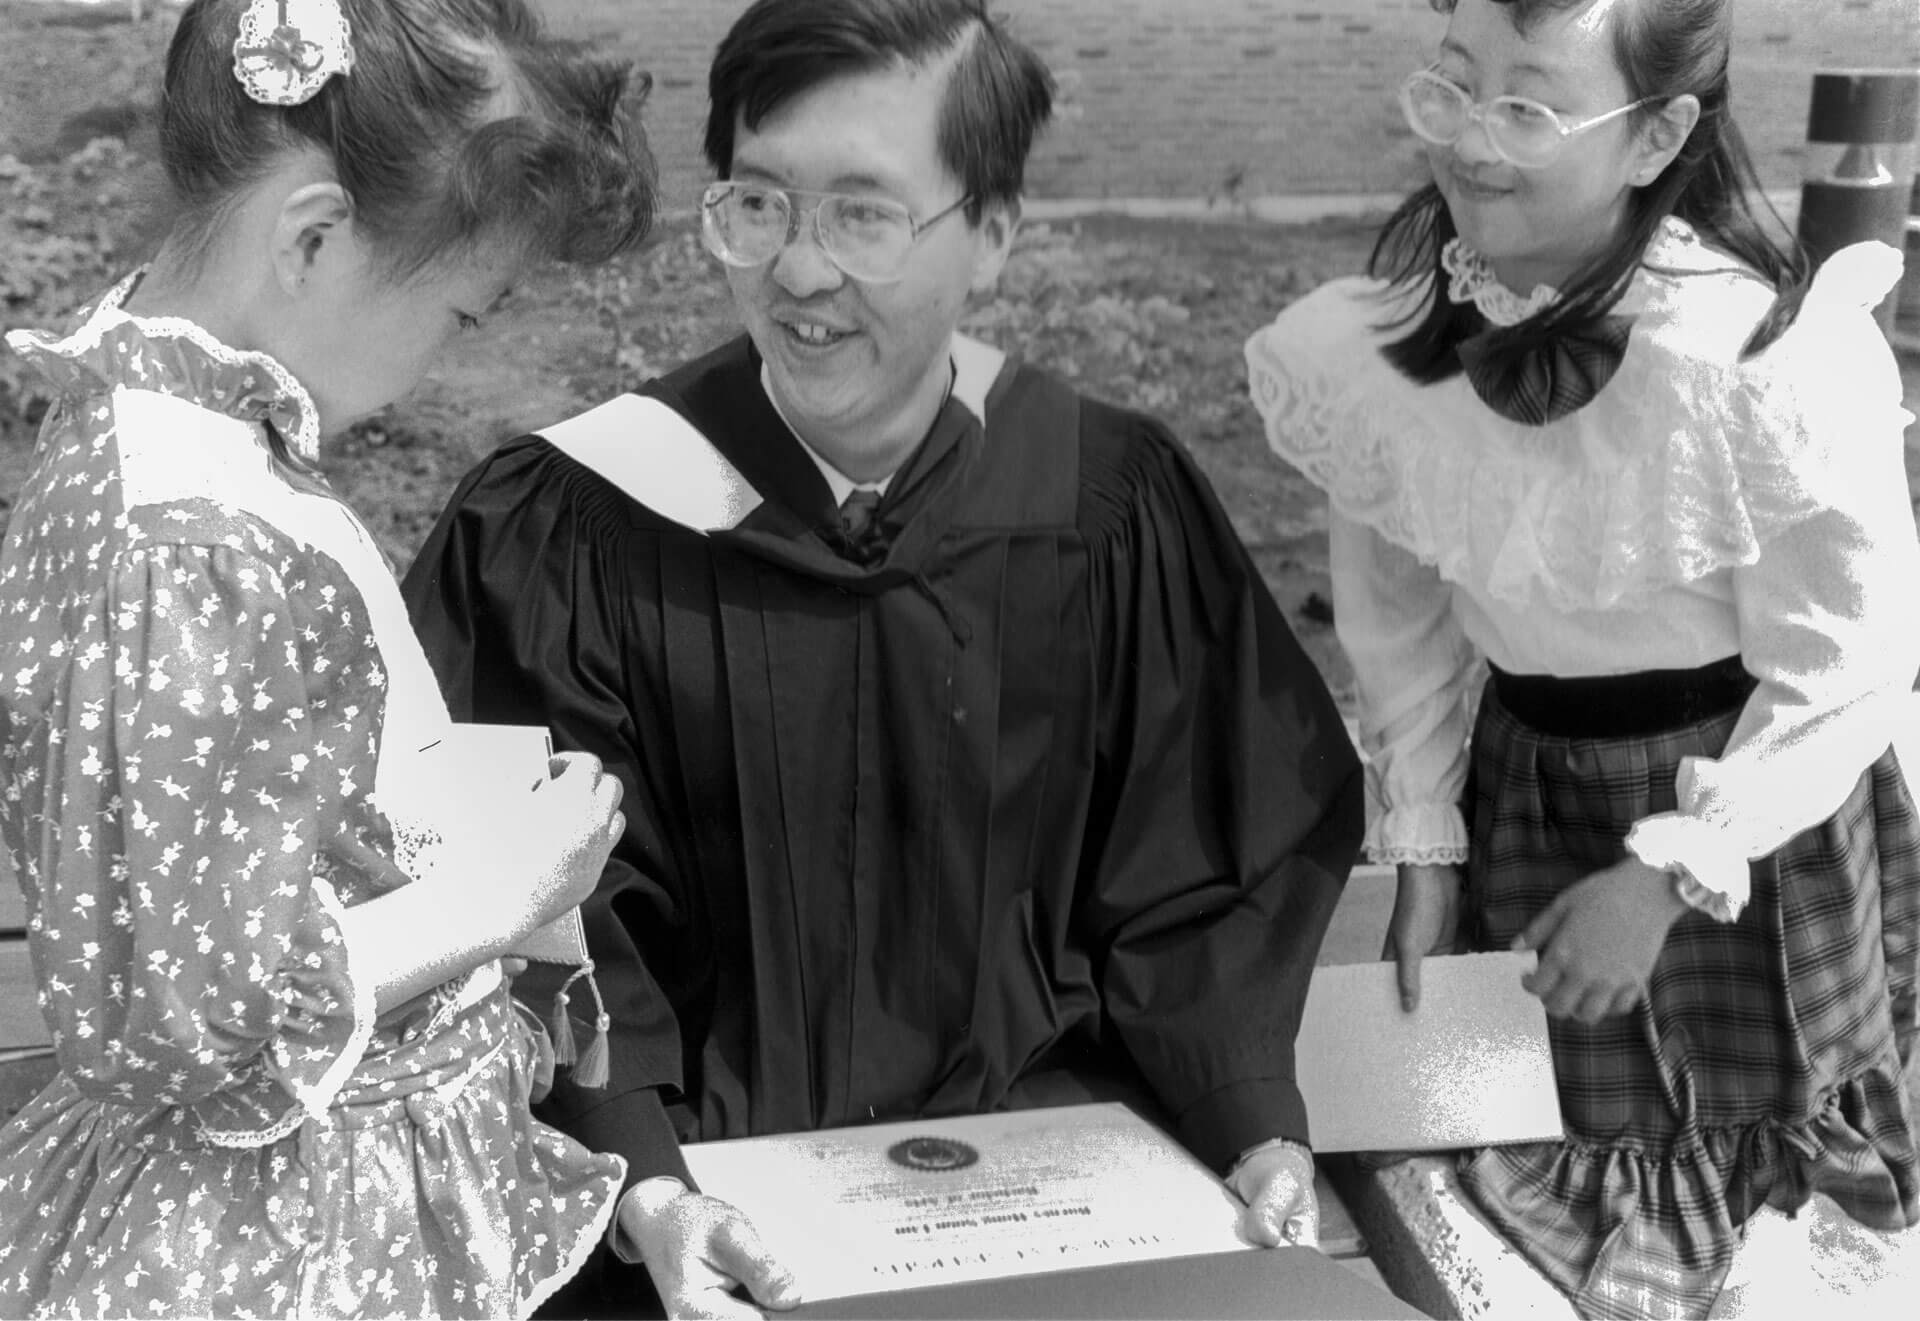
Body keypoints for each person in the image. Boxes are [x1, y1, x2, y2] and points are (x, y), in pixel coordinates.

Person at [401, 0, 1365, 1314]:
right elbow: (530, 902)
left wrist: (1245, 1107)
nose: (798, 272)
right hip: (693, 1233)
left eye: (864, 214)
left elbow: (1201, 863)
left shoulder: (1099, 501)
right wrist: (642, 1178)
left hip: (1054, 1205)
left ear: (993, 238)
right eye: (759, 203)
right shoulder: (578, 524)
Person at [1246, 0, 1920, 1316]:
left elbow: (1844, 660)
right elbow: (1401, 612)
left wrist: (1669, 876)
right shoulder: (1393, 342)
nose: (1473, 145)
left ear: (1658, 132)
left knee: (1769, 1189)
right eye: (1455, 89)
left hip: (1746, 813)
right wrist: (1428, 840)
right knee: (1524, 1133)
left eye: (1529, 108)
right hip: (1537, 792)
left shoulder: (1754, 362)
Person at [0, 1, 656, 1315]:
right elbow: (204, 1016)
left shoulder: (154, 420)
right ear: (310, 237)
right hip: (284, 1227)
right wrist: (500, 890)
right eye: (462, 317)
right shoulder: (197, 540)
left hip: (294, 1182)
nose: (436, 365)